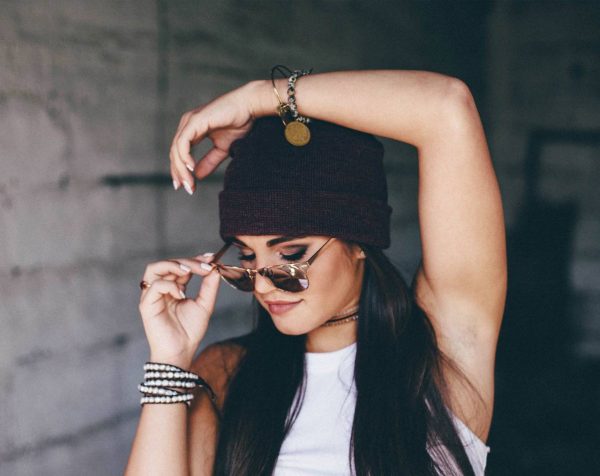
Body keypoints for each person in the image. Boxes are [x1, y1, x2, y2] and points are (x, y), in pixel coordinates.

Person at [125, 68, 507, 475]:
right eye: (247, 257)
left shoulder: (439, 356)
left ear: (358, 241)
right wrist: (168, 360)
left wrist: (258, 98)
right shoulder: (228, 371)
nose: (263, 286)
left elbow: (445, 107)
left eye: (291, 255)